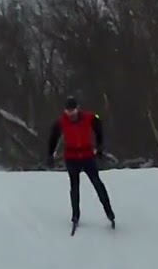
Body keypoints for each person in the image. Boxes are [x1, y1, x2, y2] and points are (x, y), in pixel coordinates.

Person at [46, 97, 116, 228]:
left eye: (73, 110)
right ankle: (75, 215)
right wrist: (50, 155)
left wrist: (100, 148)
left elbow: (99, 129)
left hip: (87, 156)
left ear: (78, 109)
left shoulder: (89, 118)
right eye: (68, 111)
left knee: (97, 183)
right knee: (75, 187)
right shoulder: (61, 122)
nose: (70, 114)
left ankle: (109, 212)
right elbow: (53, 138)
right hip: (72, 157)